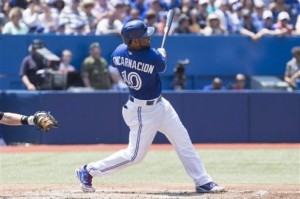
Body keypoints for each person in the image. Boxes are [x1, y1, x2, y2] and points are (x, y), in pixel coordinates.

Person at [76, 20, 225, 194]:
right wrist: (161, 55)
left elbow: (123, 62)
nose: (149, 38)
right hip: (142, 112)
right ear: (134, 41)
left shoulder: (119, 52)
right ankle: (88, 170)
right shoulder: (153, 57)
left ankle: (202, 181)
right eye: (144, 36)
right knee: (134, 156)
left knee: (183, 141)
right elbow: (159, 64)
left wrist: (156, 55)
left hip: (160, 105)